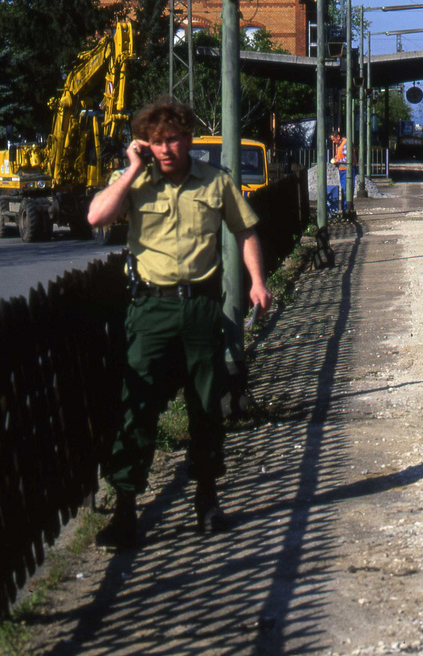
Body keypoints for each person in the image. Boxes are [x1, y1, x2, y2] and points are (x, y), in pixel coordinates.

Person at [86, 96, 271, 548]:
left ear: (188, 140)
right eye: (155, 141)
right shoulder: (133, 182)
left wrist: (257, 282)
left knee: (206, 405)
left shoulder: (215, 182)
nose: (165, 148)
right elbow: (96, 217)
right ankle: (126, 511)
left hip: (201, 309)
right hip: (150, 309)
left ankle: (207, 500)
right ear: (144, 144)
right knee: (139, 403)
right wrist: (131, 169)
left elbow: (245, 231)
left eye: (172, 139)